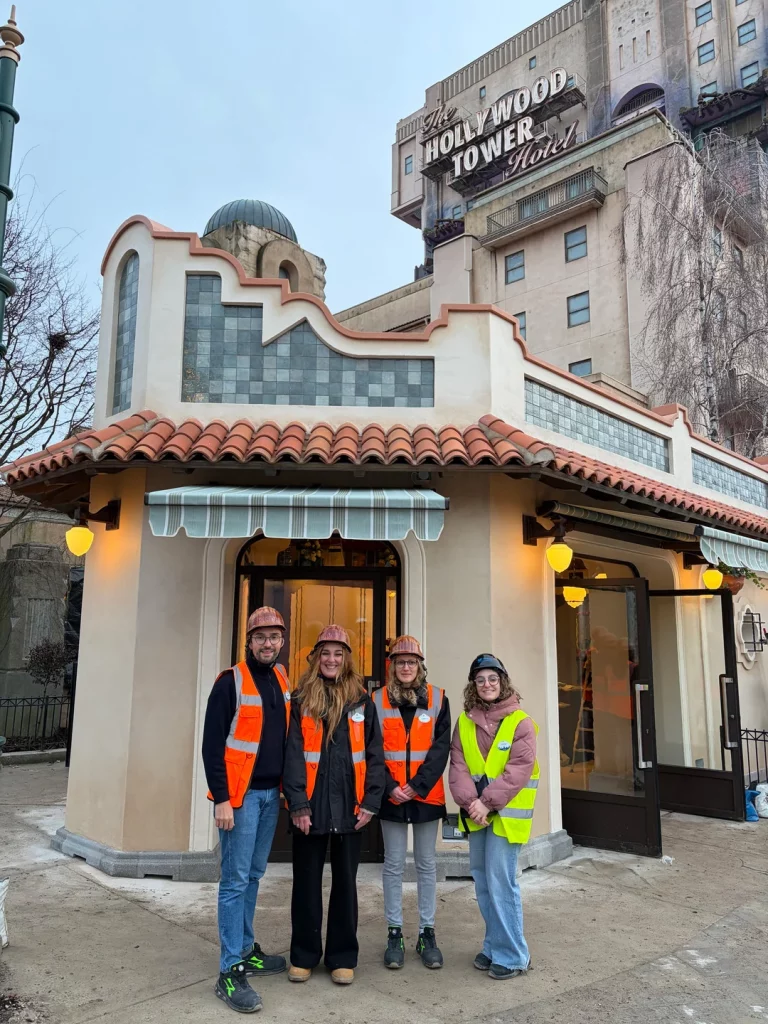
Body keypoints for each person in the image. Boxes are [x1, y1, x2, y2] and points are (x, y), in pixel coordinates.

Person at [282, 625, 385, 986]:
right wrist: (297, 804)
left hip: (351, 810)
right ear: (315, 658)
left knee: (345, 885)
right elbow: (293, 754)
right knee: (306, 885)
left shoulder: (362, 701)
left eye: (338, 654)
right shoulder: (300, 700)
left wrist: (371, 802)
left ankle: (342, 957)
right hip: (309, 810)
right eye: (325, 653)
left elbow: (375, 755)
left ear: (347, 659)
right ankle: (303, 956)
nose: (331, 659)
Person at [202, 606, 291, 1013]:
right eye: (261, 637)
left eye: (274, 637)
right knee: (235, 881)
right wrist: (222, 799)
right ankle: (229, 970)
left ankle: (245, 948)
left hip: (271, 795)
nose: (268, 643)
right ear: (249, 642)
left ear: (281, 641)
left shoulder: (281, 678)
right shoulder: (230, 682)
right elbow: (212, 746)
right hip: (241, 799)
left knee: (253, 875)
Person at [449, 653, 538, 981]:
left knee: (501, 883)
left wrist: (486, 803)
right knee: (484, 881)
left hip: (505, 816)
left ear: (503, 682)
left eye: (492, 679)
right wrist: (471, 803)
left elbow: (519, 770)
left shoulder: (520, 722)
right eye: (480, 680)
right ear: (473, 685)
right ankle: (493, 945)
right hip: (478, 815)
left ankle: (513, 956)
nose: (487, 684)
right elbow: (458, 765)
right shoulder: (465, 722)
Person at [373, 635, 451, 970]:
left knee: (426, 864)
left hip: (425, 796)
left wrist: (416, 787)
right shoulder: (376, 700)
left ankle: (426, 933)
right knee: (392, 864)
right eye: (400, 662)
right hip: (390, 795)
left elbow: (441, 749)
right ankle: (394, 933)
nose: (406, 667)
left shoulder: (438, 698)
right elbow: (372, 749)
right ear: (392, 666)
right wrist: (391, 787)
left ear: (420, 666)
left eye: (412, 662)